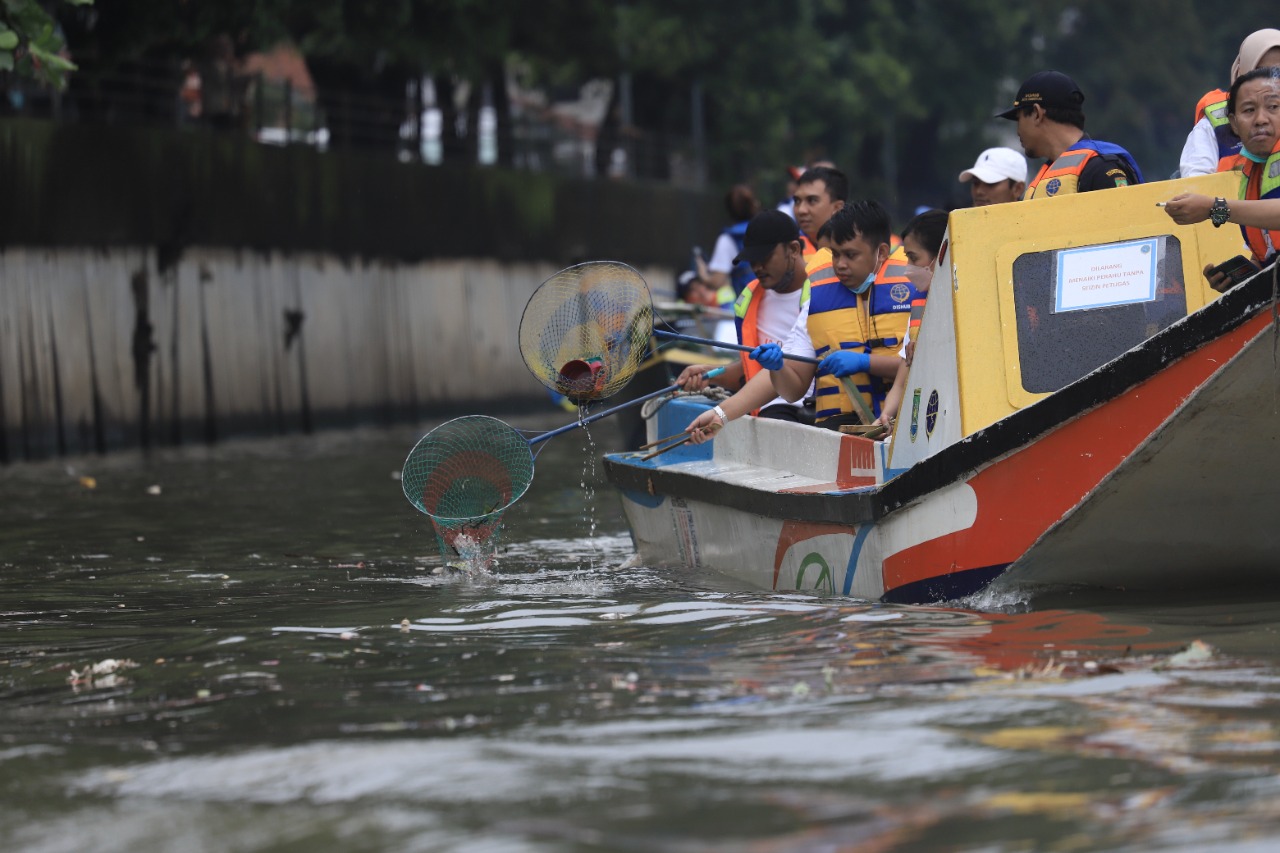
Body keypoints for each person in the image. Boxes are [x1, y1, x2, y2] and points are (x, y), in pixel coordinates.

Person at [684, 201, 902, 440]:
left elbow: (920, 366)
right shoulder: (819, 299)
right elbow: (793, 386)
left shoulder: (914, 291)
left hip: (903, 430)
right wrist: (720, 415)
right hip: (841, 434)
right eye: (836, 254)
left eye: (851, 255)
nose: (840, 264)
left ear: (881, 252)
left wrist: (864, 362)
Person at [678, 210, 813, 422]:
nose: (757, 267)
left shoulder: (822, 292)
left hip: (815, 408)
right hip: (771, 410)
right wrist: (710, 374)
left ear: (794, 249)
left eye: (765, 257)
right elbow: (753, 368)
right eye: (752, 260)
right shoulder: (749, 300)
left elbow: (782, 368)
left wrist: (721, 413)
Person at [1164, 66, 1280, 289]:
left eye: (1273, 107)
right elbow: (1268, 251)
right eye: (1248, 111)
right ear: (1234, 124)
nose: (1260, 119)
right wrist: (1245, 278)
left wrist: (1214, 208)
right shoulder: (1252, 173)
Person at [998, 71, 1143, 198]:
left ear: (1037, 114)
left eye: (1019, 118)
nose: (1017, 131)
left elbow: (1128, 226)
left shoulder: (1101, 168)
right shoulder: (1047, 174)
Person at [878, 209, 949, 427]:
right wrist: (886, 416)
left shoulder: (967, 303)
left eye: (913, 258)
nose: (908, 268)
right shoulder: (918, 307)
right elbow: (901, 382)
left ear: (941, 256)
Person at [1180, 29, 1280, 177]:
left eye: (1277, 72)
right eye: (1261, 71)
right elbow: (1195, 183)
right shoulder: (1213, 125)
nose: (1271, 81)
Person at [704, 184, 761, 296]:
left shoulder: (728, 239)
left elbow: (717, 282)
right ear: (754, 205)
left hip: (748, 304)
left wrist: (702, 274)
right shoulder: (767, 228)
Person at [958, 147, 1027, 206]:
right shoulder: (957, 221)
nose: (979, 191)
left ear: (1018, 189)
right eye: (975, 183)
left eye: (990, 184)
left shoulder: (1034, 221)